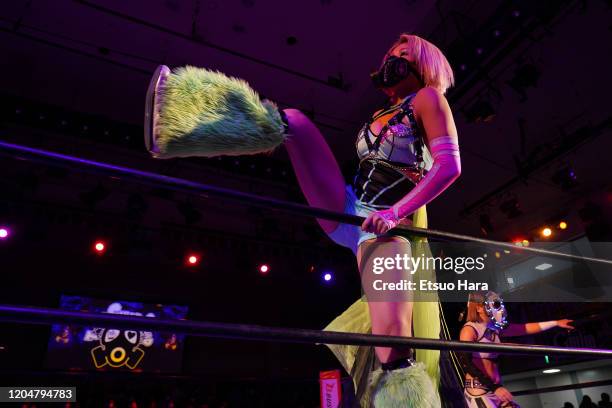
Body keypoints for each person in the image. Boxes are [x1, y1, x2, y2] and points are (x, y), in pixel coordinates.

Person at [145, 33, 459, 407]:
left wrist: (395, 213)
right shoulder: (379, 113)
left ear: (424, 64)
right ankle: (178, 119)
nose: (393, 58)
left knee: (392, 344)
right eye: (390, 52)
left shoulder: (428, 99)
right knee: (291, 121)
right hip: (349, 209)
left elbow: (449, 167)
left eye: (403, 54)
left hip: (384, 226)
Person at [459, 291, 575, 408]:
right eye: (493, 304)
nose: (497, 308)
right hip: (480, 390)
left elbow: (524, 328)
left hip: (495, 388)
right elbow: (465, 363)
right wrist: (494, 387)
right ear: (479, 307)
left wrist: (555, 323)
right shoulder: (470, 329)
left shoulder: (495, 328)